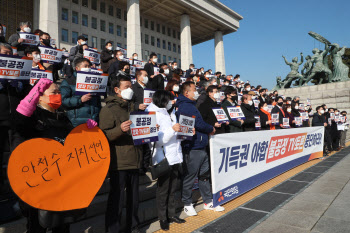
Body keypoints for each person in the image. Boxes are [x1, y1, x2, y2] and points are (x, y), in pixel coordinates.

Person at [15, 78, 90, 233]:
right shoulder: (34, 116)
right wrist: (35, 90)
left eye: (58, 92)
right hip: (39, 181)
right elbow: (19, 122)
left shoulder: (62, 116)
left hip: (61, 180)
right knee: (37, 225)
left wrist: (88, 131)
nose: (57, 95)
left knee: (62, 225)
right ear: (40, 96)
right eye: (53, 92)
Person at [100, 76, 142, 233]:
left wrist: (150, 129)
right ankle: (113, 229)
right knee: (117, 200)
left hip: (135, 158)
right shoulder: (108, 110)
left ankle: (134, 227)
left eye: (131, 86)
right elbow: (103, 135)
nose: (130, 90)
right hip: (119, 162)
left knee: (134, 200)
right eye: (126, 87)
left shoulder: (132, 109)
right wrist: (120, 130)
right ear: (116, 90)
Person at [175, 81, 224, 216]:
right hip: (192, 146)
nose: (196, 92)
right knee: (190, 176)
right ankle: (187, 203)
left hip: (200, 145)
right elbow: (198, 123)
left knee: (204, 176)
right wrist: (211, 128)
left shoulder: (191, 105)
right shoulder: (185, 106)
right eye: (194, 90)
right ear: (186, 93)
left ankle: (208, 201)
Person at [145, 90, 186, 231]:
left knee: (173, 188)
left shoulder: (170, 112)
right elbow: (157, 140)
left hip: (175, 156)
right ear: (161, 100)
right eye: (168, 100)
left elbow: (175, 134)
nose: (171, 102)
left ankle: (172, 214)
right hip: (163, 157)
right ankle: (162, 218)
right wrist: (172, 130)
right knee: (163, 190)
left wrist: (183, 133)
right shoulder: (152, 113)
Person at [60, 58, 101, 127]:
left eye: (89, 66)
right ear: (77, 68)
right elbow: (63, 101)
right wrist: (80, 100)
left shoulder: (94, 81)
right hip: (76, 121)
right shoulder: (69, 82)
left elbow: (98, 101)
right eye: (85, 66)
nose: (88, 68)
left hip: (94, 120)